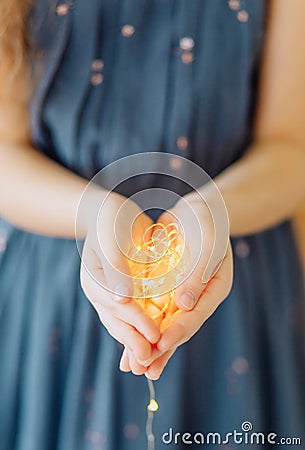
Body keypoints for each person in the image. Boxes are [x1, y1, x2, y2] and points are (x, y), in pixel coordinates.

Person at [0, 1, 304, 449]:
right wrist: (98, 212)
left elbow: (290, 147)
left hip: (233, 275)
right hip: (60, 284)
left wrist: (211, 211)